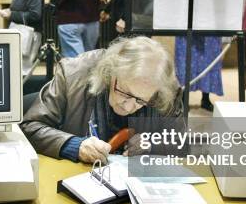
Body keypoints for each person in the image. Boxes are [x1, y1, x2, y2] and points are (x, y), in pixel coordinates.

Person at [21, 36, 184, 164]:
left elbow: (179, 141)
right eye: (125, 93)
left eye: (141, 101)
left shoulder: (165, 90)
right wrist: (74, 145)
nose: (128, 106)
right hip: (76, 180)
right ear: (109, 73)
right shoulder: (73, 74)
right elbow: (31, 127)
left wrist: (153, 144)